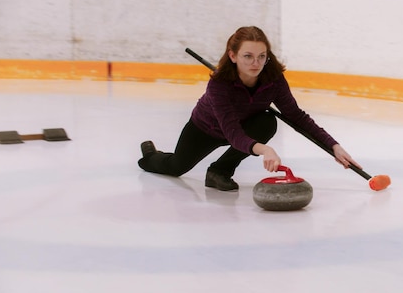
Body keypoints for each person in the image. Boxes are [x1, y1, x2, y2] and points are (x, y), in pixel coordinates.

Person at [138, 26, 361, 191]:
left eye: (261, 57)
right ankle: (150, 156)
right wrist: (264, 149)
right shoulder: (219, 84)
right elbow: (231, 132)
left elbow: (296, 116)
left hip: (244, 129)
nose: (256, 63)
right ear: (233, 56)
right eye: (248, 56)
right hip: (205, 129)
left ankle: (219, 171)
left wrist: (334, 146)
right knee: (176, 166)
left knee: (267, 121)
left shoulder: (273, 79)